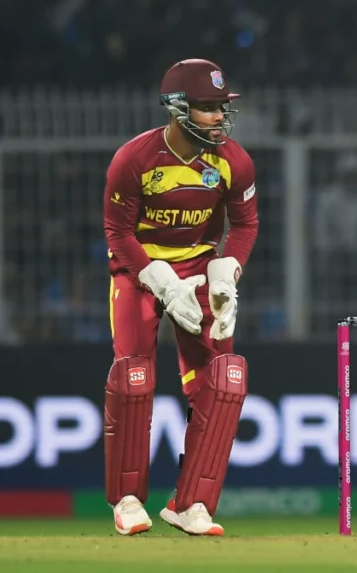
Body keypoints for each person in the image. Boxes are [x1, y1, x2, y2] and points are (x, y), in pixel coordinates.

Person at [102, 58, 259, 536]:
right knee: (133, 377)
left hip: (199, 270)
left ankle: (192, 504)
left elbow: (245, 226)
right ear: (177, 108)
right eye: (208, 107)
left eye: (221, 106)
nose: (219, 116)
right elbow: (117, 233)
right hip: (139, 270)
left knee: (223, 381)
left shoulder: (233, 161)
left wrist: (226, 274)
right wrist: (162, 283)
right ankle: (128, 501)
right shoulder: (135, 159)